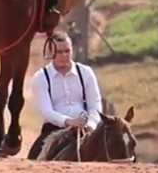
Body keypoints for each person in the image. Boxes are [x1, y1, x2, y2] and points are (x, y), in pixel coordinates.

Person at [26, 32, 103, 160]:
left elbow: (95, 104)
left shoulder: (86, 73)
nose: (64, 55)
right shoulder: (40, 77)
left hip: (86, 129)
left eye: (67, 51)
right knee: (35, 156)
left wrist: (90, 124)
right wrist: (69, 122)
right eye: (59, 52)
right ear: (51, 52)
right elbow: (46, 111)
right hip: (55, 130)